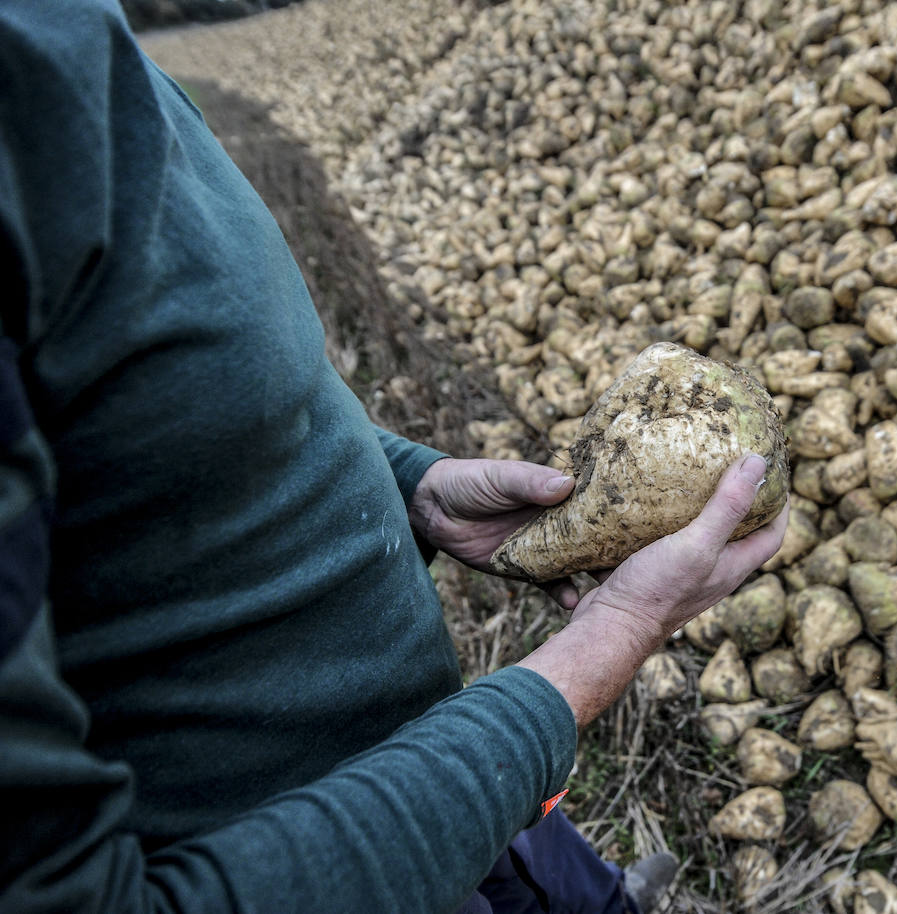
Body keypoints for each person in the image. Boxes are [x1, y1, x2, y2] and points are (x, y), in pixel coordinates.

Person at [0, 1, 788, 912]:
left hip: (431, 756)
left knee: (548, 871)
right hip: (331, 853)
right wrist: (582, 670)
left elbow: (139, 417)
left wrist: (409, 483)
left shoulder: (63, 32)